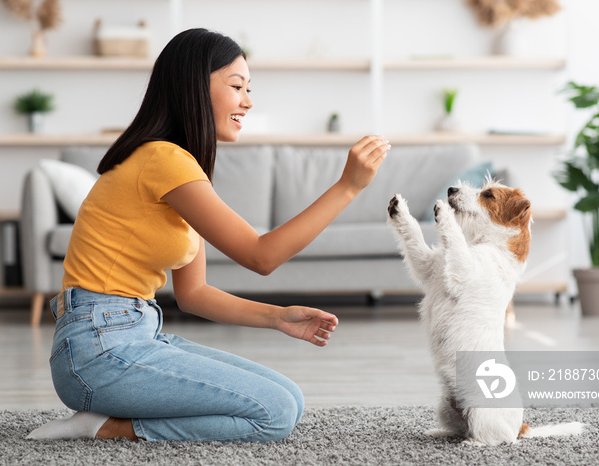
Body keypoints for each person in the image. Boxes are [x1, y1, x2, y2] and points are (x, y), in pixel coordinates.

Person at [26, 28, 390, 443]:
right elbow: (260, 256)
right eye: (237, 87)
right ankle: (107, 427)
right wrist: (349, 186)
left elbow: (194, 293)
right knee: (275, 413)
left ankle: (103, 418)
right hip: (98, 349)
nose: (248, 101)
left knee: (289, 397)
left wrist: (277, 317)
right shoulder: (163, 159)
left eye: (249, 88)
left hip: (131, 332)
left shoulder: (178, 167)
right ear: (195, 87)